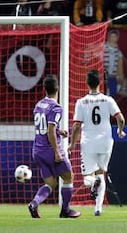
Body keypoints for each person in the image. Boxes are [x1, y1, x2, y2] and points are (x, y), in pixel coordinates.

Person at [68, 70, 126, 216]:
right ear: (100, 83)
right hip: (106, 142)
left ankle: (93, 184)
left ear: (87, 83)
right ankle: (98, 208)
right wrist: (119, 131)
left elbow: (76, 126)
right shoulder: (108, 100)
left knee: (88, 177)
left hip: (89, 143)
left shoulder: (81, 102)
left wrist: (72, 143)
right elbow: (121, 119)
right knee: (101, 174)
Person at [28, 76, 81, 218]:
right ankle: (65, 210)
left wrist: (59, 131)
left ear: (44, 89)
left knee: (50, 183)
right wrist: (57, 152)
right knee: (69, 177)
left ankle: (35, 203)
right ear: (58, 89)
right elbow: (50, 130)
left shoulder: (39, 105)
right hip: (50, 150)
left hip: (37, 150)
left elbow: (44, 126)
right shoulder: (56, 107)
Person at [103, 29, 125, 97]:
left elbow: (120, 68)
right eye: (111, 36)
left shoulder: (119, 52)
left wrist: (121, 79)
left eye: (115, 36)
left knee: (113, 93)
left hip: (113, 76)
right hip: (103, 76)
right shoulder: (102, 47)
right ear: (108, 37)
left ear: (117, 38)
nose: (113, 38)